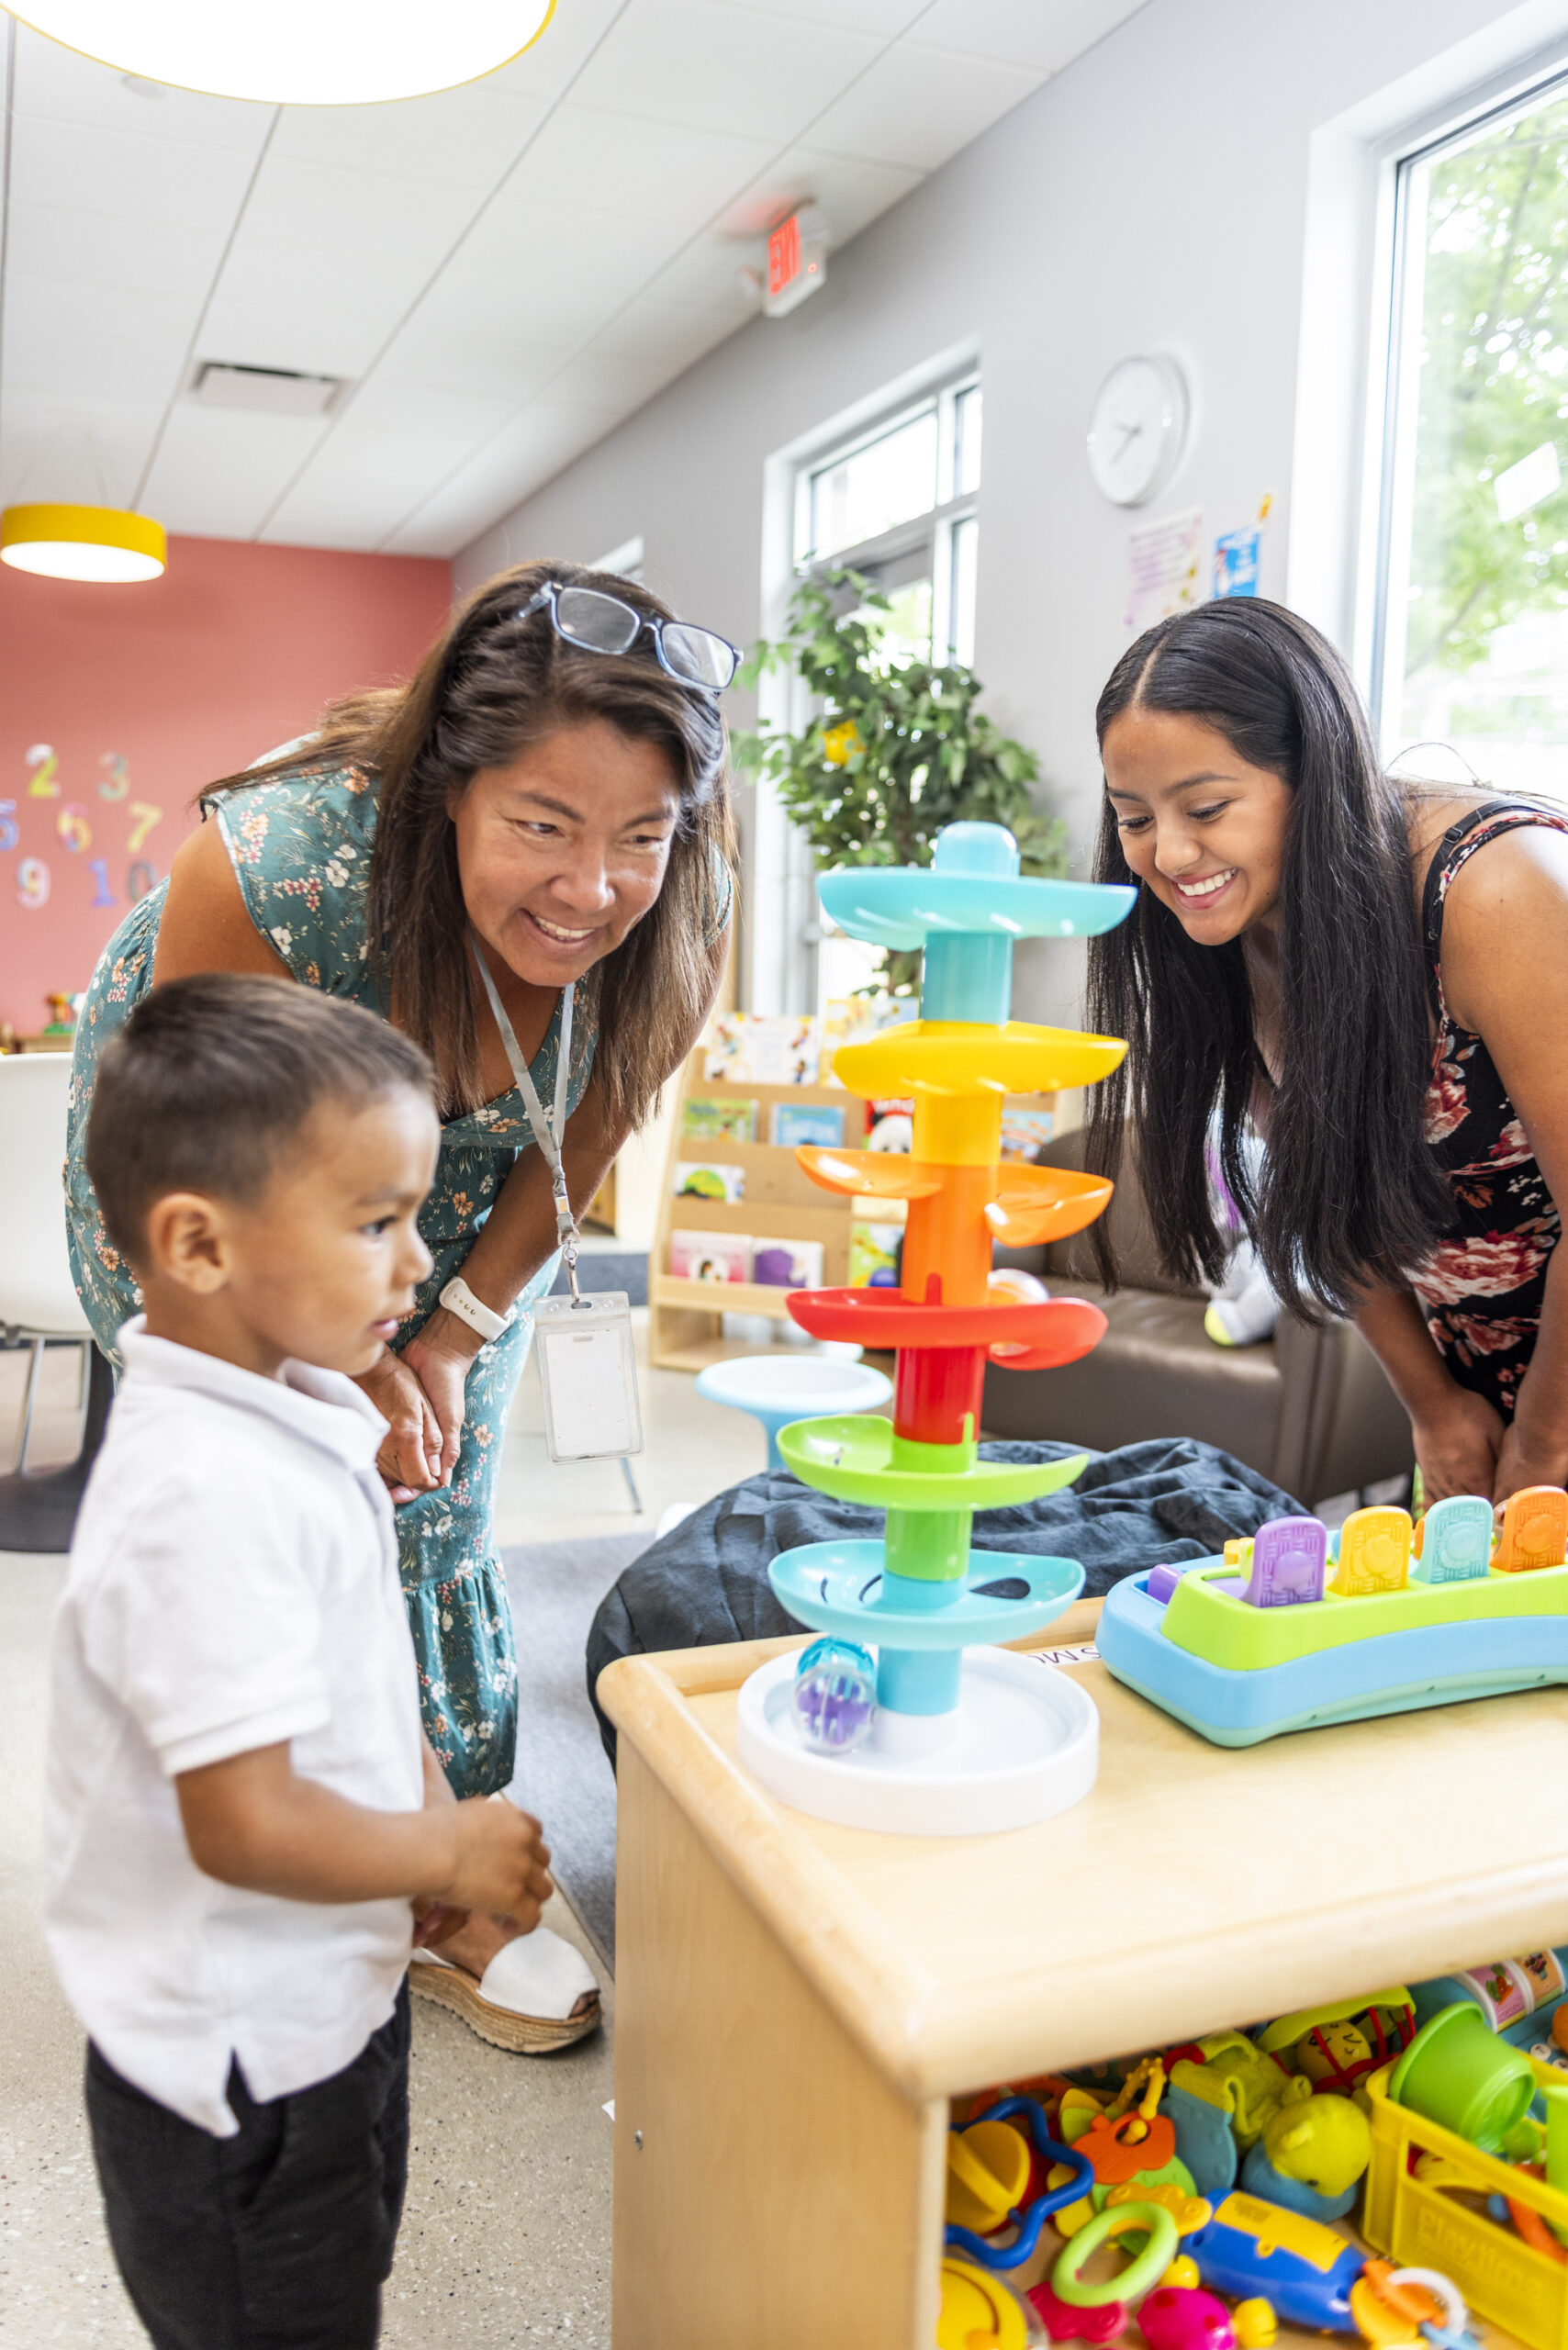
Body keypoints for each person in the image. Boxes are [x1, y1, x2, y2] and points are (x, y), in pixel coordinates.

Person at [65, 562, 736, 2043]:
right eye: (542, 828)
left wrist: (443, 1335)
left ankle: (429, 1854)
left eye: (638, 835)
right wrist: (328, 1377)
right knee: (292, 1509)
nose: (591, 889)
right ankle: (341, 1852)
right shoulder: (280, 873)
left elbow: (589, 1135)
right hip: (228, 1175)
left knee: (436, 1495)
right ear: (447, 791)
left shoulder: (681, 897)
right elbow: (218, 1175)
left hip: (474, 1187)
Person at [45, 975, 556, 2350]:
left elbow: (344, 1674)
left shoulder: (298, 1404)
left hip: (333, 1992)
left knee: (345, 2279)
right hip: (238, 2077)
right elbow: (244, 1820)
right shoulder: (199, 1497)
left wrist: (420, 1815)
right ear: (200, 1245)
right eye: (378, 1223)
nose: (416, 1264)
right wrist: (441, 1852)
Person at [1085, 596, 1568, 1508]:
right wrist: (1434, 1408)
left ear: (1313, 772)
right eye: (1134, 817)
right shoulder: (1226, 932)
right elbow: (1331, 1193)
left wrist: (1544, 1446)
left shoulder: (1495, 893)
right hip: (1498, 1395)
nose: (1169, 852)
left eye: (1206, 806)